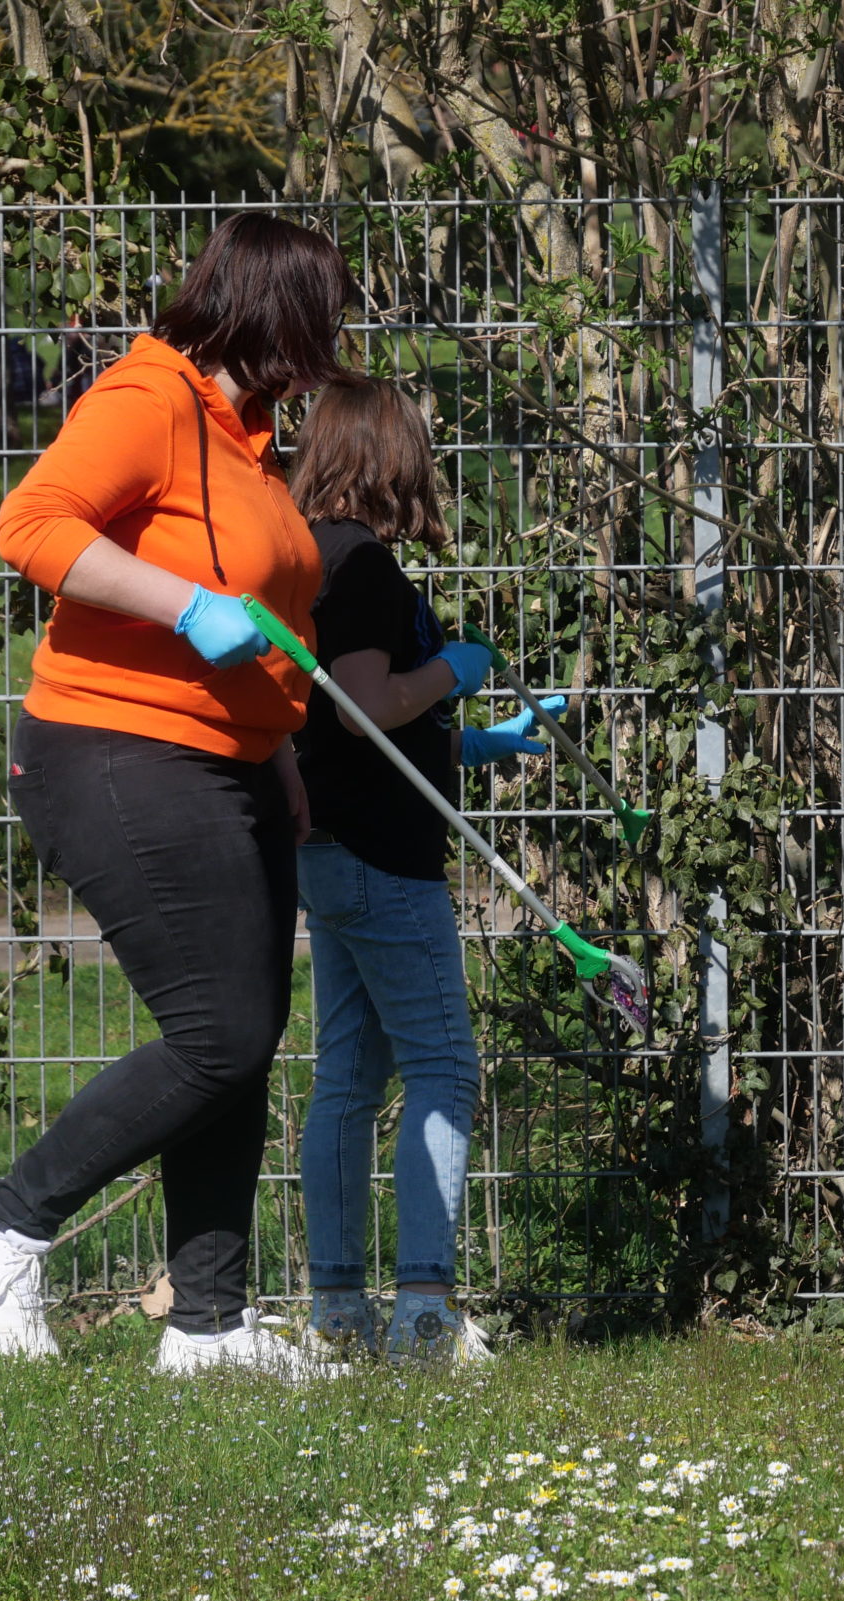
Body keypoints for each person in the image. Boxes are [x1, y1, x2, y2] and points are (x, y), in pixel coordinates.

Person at [0, 210, 366, 1381]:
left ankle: (209, 1329)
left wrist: (273, 747)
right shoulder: (148, 399)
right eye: (323, 316)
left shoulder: (249, 436)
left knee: (243, 1039)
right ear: (275, 312)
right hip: (114, 750)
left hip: (229, 761)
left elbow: (264, 618)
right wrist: (179, 604)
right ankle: (1, 1227)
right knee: (220, 1034)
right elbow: (31, 525)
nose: (335, 341)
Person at [282, 376, 559, 1362]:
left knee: (348, 1080)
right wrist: (459, 667)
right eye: (421, 447)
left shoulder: (307, 555)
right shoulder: (357, 566)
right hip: (382, 860)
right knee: (443, 1068)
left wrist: (481, 742)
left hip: (333, 850)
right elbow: (365, 706)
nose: (429, 464)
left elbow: (359, 731)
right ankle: (426, 1313)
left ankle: (339, 1315)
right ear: (388, 455)